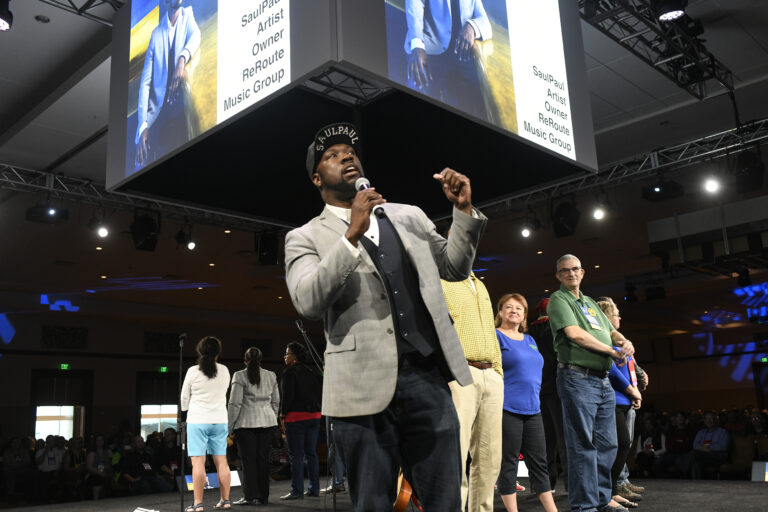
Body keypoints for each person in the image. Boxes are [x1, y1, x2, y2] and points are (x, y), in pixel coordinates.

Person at [284, 122, 486, 511]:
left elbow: (454, 268)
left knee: (445, 500)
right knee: (373, 503)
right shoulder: (304, 237)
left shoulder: (409, 215)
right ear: (317, 179)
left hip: (426, 378)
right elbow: (307, 300)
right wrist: (351, 236)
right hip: (360, 389)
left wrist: (462, 212)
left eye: (350, 152)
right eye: (332, 155)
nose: (346, 157)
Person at [547, 254, 635, 512]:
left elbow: (611, 331)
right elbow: (575, 334)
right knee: (582, 445)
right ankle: (585, 506)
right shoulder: (559, 299)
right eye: (565, 271)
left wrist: (623, 341)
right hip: (577, 378)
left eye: (575, 269)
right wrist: (611, 351)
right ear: (558, 276)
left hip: (602, 380)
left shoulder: (589, 303)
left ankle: (601, 499)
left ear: (583, 272)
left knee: (608, 444)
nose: (571, 273)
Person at [441, 271, 503, 512]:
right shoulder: (440, 281)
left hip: (491, 374)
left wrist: (498, 372)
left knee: (490, 457)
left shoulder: (481, 285)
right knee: (455, 453)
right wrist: (447, 372)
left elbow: (490, 330)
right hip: (460, 371)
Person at [495, 293, 557, 512]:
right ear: (500, 312)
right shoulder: (495, 337)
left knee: (539, 463)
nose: (514, 311)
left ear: (524, 316)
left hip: (533, 409)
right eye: (509, 307)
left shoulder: (530, 340)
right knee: (509, 462)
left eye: (519, 308)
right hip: (507, 408)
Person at [134, 0, 201, 168]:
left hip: (180, 108)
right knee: (143, 161)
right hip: (158, 113)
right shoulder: (156, 34)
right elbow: (145, 84)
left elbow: (196, 35)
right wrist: (143, 126)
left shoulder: (187, 15)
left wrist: (182, 60)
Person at [404, 0, 492, 120]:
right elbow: (414, 4)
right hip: (428, 49)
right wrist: (417, 46)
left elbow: (485, 22)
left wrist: (471, 27)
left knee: (473, 101)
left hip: (458, 55)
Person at [596, 298, 642, 510]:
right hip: (612, 399)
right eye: (616, 314)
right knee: (618, 445)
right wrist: (632, 390)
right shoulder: (604, 340)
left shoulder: (622, 341)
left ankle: (612, 491)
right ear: (607, 317)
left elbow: (630, 366)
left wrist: (637, 384)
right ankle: (607, 493)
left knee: (623, 446)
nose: (619, 317)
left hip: (626, 400)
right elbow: (612, 371)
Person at [181, 336, 232, 511]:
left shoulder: (193, 371)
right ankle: (225, 500)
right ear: (218, 352)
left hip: (197, 420)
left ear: (200, 351)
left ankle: (198, 504)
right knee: (222, 461)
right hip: (219, 420)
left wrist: (186, 409)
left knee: (198, 463)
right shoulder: (224, 370)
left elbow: (184, 398)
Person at [228, 346, 280, 506]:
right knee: (263, 460)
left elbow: (234, 403)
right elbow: (276, 401)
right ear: (261, 360)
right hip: (268, 422)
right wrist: (272, 417)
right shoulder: (271, 375)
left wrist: (230, 426)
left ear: (245, 360)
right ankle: (263, 496)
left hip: (245, 423)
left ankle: (250, 496)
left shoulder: (239, 375)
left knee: (248, 461)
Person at [529, 298, 568, 492]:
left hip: (537, 388)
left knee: (545, 439)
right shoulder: (556, 329)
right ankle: (570, 483)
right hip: (555, 386)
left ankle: (546, 484)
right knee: (563, 437)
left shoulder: (529, 333)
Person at [279, 342, 323, 500]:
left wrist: (282, 415)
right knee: (311, 454)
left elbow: (287, 396)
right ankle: (314, 489)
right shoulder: (312, 372)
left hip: (296, 418)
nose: (285, 356)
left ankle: (297, 490)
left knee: (296, 456)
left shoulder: (289, 372)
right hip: (315, 417)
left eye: (287, 353)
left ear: (294, 357)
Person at [691, 411, 729, 479]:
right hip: (702, 456)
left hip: (717, 456)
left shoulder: (722, 432)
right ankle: (697, 483)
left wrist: (708, 448)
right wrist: (705, 448)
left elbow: (722, 447)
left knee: (694, 454)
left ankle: (680, 464)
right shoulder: (701, 432)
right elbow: (695, 445)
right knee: (696, 463)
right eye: (707, 419)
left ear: (715, 420)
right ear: (704, 421)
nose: (709, 421)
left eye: (711, 418)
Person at [84, 433, 112, 500]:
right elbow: (89, 467)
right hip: (93, 474)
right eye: (98, 440)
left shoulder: (108, 452)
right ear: (95, 442)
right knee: (98, 478)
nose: (100, 441)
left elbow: (111, 463)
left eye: (101, 440)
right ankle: (95, 499)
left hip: (105, 472)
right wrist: (100, 473)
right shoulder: (92, 453)